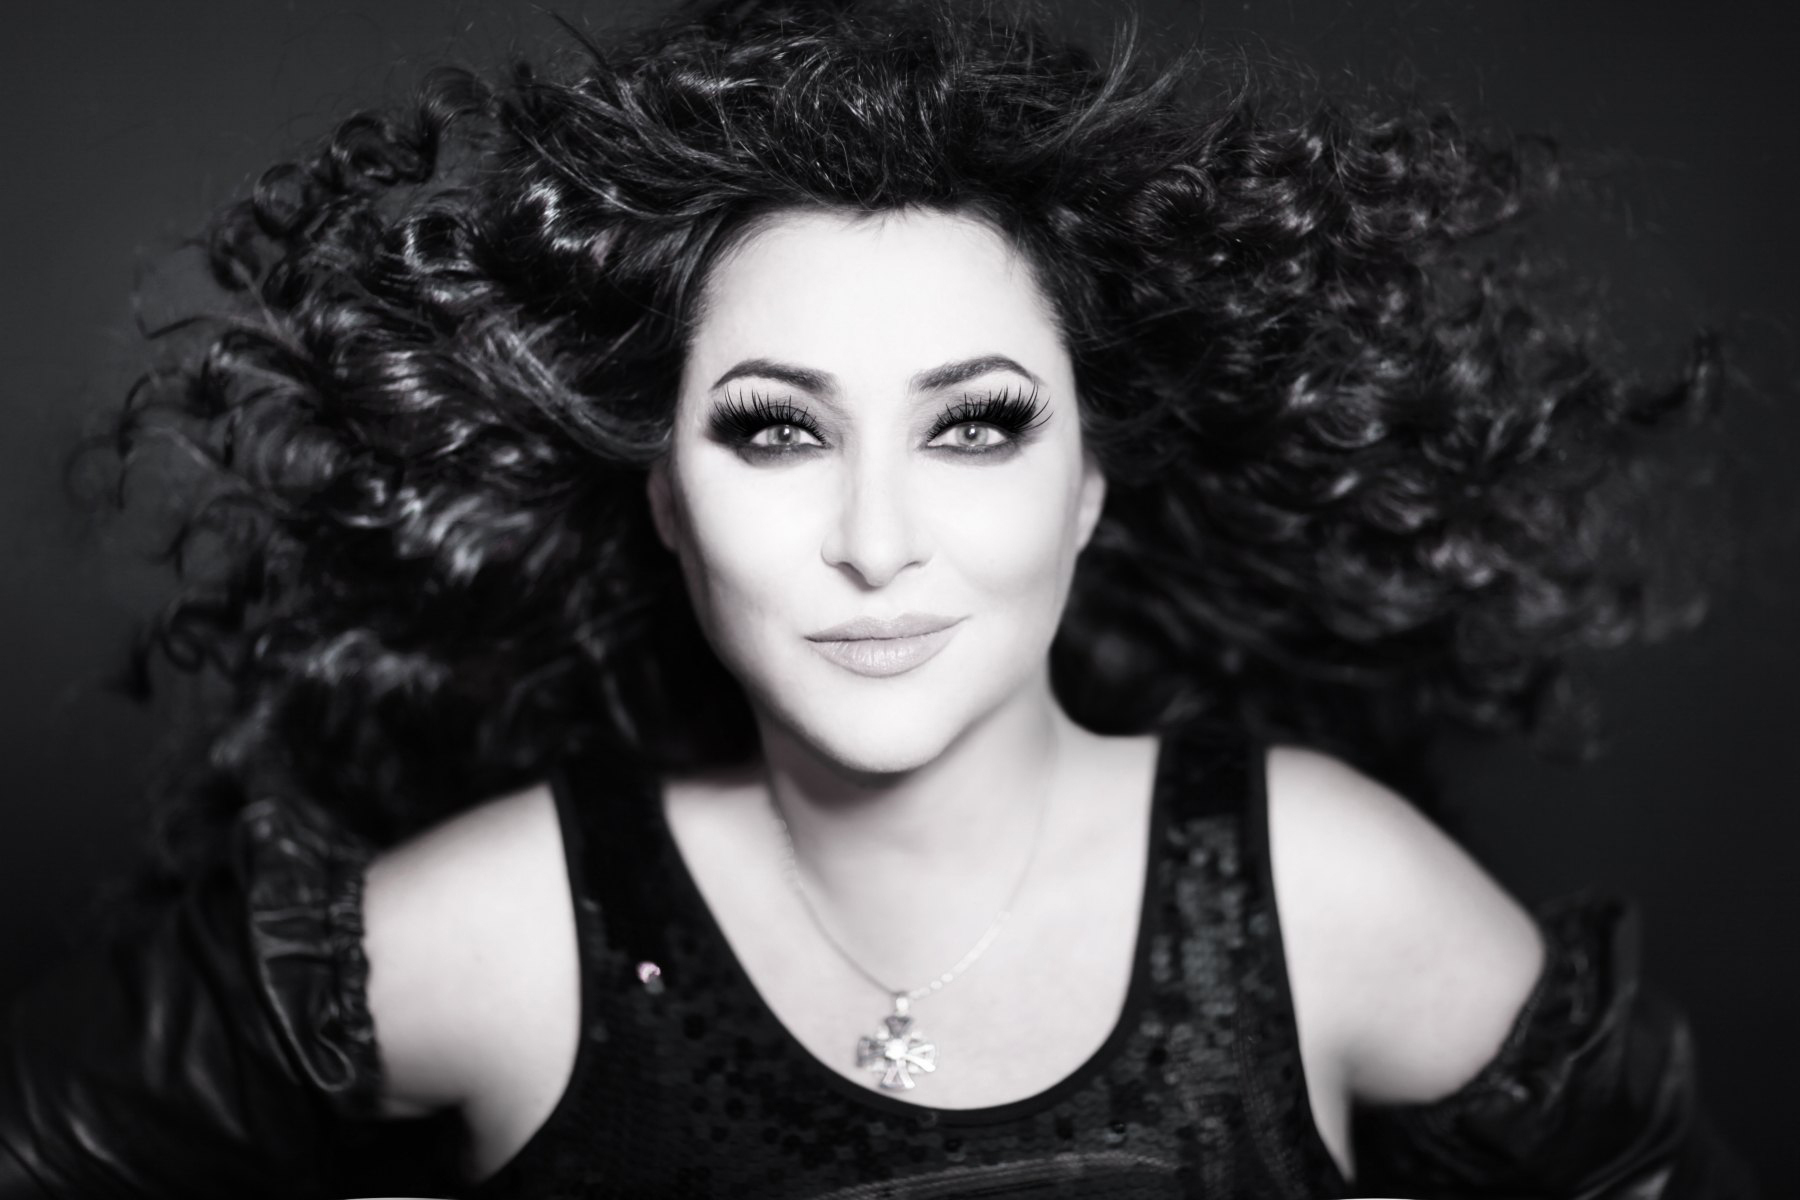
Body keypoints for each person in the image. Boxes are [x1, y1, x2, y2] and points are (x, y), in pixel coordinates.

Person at [0, 0, 1761, 1196]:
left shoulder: (1325, 898)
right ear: (665, 498)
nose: (875, 535)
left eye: (975, 425)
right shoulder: (498, 939)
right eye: (775, 432)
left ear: (1088, 484)